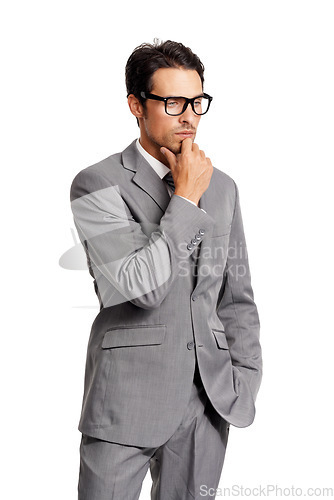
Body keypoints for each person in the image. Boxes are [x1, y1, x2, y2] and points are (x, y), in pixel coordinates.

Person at [70, 39, 263, 500]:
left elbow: (236, 298)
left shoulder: (225, 188)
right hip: (125, 399)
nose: (189, 116)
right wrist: (186, 198)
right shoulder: (96, 183)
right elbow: (142, 286)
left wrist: (245, 378)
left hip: (208, 400)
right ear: (136, 105)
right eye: (173, 102)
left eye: (197, 101)